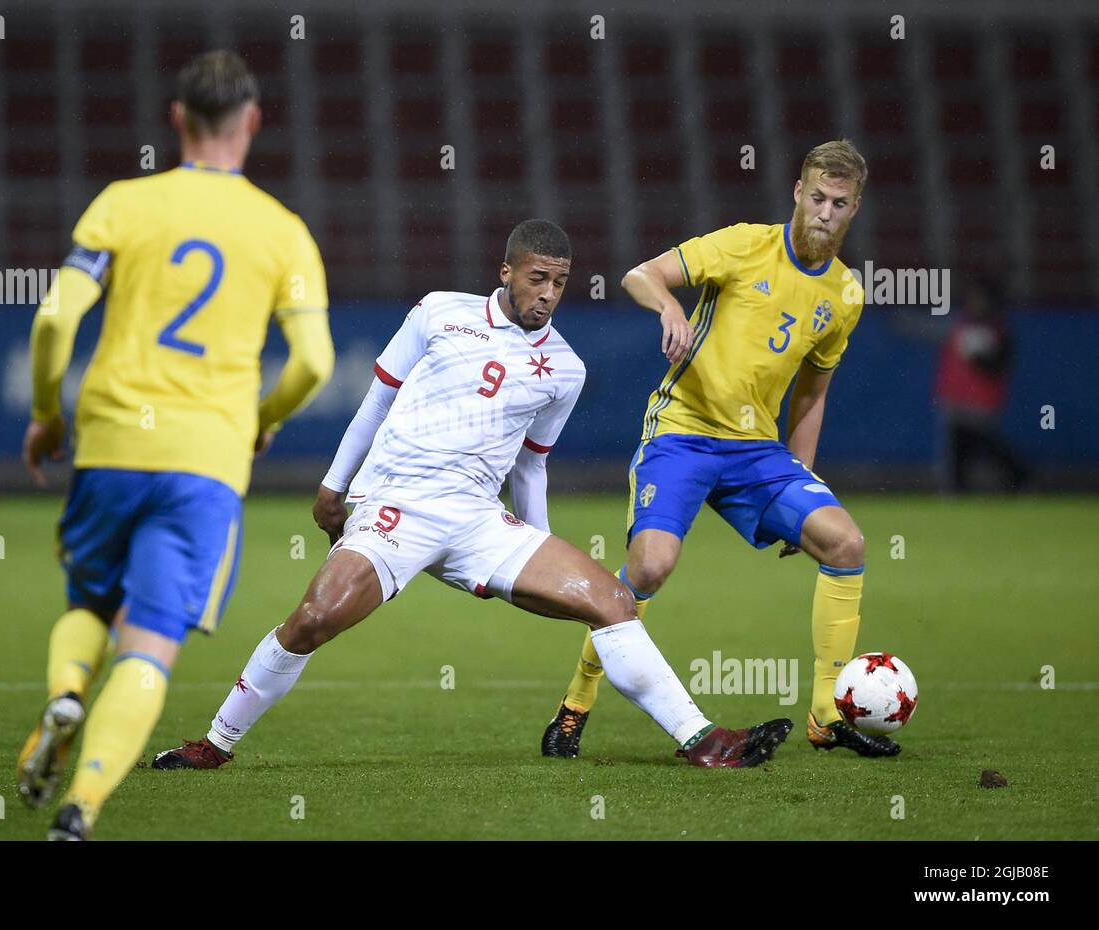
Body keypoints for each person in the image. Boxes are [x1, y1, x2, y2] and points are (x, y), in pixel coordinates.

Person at [151, 220, 792, 774]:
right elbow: (378, 396)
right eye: (537, 278)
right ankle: (216, 742)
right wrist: (332, 485)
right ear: (506, 271)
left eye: (560, 283)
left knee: (613, 600)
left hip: (480, 519)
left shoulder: (565, 370)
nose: (548, 294)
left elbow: (532, 465)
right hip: (397, 503)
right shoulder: (438, 312)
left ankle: (703, 741)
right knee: (314, 619)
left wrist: (536, 542)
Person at [16, 50, 335, 840]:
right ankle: (82, 806)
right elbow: (317, 363)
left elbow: (55, 319)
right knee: (149, 640)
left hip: (113, 442)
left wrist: (47, 415)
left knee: (91, 601)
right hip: (206, 463)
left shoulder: (124, 203)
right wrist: (265, 419)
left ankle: (64, 692)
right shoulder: (282, 230)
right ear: (252, 121)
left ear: (177, 119)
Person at [541, 140, 900, 760]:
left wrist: (800, 481)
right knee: (649, 567)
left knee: (846, 542)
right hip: (681, 433)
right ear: (796, 191)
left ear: (855, 208)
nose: (824, 212)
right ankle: (575, 706)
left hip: (757, 454)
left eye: (838, 204)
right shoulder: (743, 245)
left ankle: (824, 716)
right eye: (816, 197)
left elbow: (812, 396)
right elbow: (638, 274)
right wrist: (670, 305)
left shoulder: (844, 296)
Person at [934, 276, 1028, 493]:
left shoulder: (997, 331)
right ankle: (958, 493)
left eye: (979, 298)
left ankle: (1021, 478)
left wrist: (978, 358)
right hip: (956, 402)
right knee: (960, 455)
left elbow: (998, 366)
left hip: (981, 405)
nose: (974, 302)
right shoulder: (961, 325)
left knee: (988, 449)